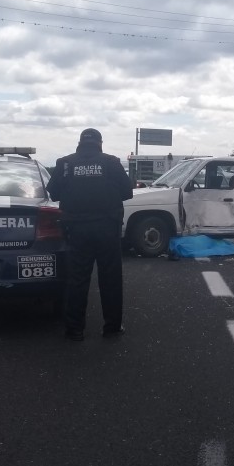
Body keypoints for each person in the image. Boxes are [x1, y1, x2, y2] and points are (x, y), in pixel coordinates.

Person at [46, 128, 133, 341]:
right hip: (107, 228)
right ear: (100, 143)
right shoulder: (111, 163)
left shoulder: (65, 163)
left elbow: (54, 193)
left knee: (77, 279)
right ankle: (112, 327)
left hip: (76, 229)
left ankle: (74, 329)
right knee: (110, 279)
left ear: (80, 142)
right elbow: (127, 192)